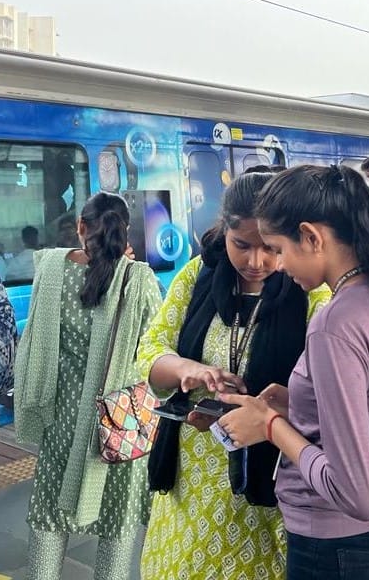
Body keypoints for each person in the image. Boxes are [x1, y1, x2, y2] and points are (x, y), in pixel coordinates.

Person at [216, 164, 369, 580]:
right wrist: (299, 403)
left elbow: (355, 493)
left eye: (279, 249)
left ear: (311, 236)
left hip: (334, 542)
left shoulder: (334, 325)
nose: (278, 265)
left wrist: (270, 427)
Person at [136, 172, 329, 580]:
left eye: (270, 248)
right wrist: (189, 369)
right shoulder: (196, 277)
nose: (256, 262)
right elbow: (150, 352)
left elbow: (329, 398)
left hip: (270, 484)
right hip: (191, 478)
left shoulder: (312, 294)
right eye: (241, 245)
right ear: (223, 230)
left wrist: (266, 412)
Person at [13, 192, 162, 580]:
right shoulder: (137, 279)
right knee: (118, 521)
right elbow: (156, 350)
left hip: (60, 418)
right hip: (117, 421)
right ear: (123, 230)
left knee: (49, 512)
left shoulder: (50, 269)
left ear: (81, 226)